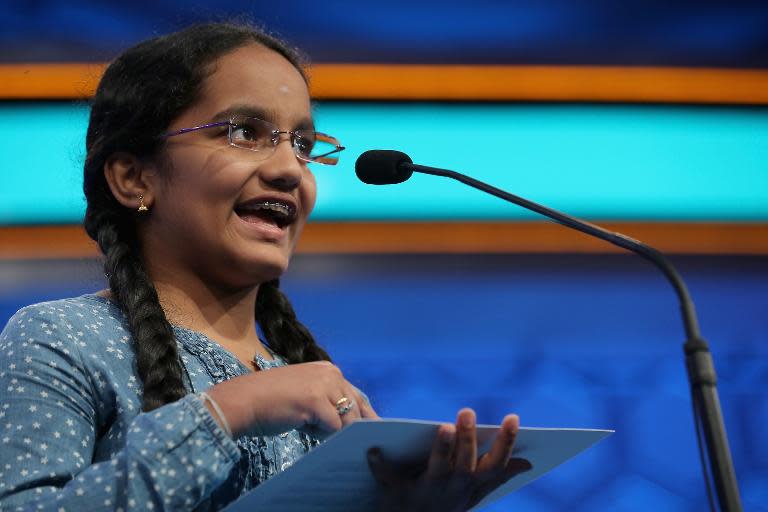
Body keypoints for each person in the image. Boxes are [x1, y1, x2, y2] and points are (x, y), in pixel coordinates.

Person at [0, 22, 530, 511]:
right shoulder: (62, 340)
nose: (287, 169)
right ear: (134, 178)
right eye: (244, 132)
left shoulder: (318, 392)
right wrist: (229, 412)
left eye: (302, 144)